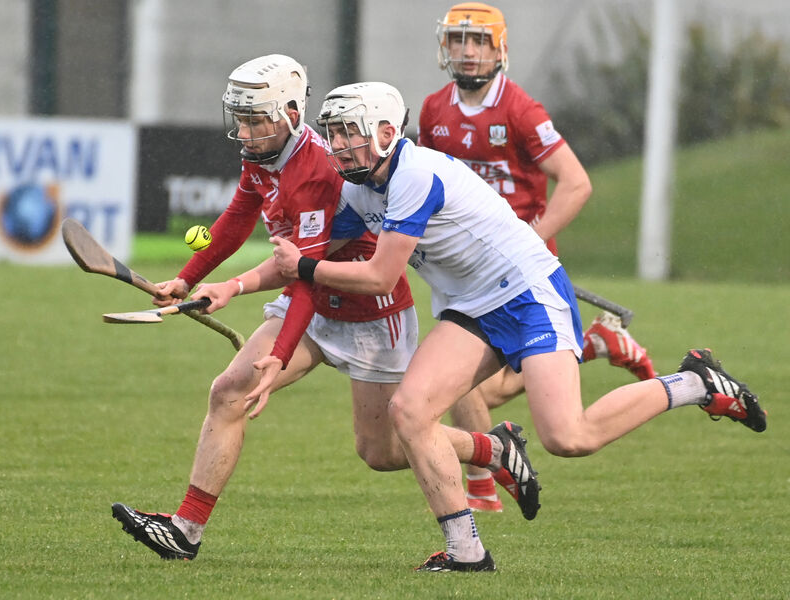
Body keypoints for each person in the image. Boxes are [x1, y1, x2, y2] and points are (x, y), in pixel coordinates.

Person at [266, 81, 766, 572]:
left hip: (528, 294)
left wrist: (303, 267)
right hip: (472, 305)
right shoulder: (360, 190)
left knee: (569, 437)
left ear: (385, 132)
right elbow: (308, 254)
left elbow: (376, 276)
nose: (337, 144)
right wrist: (232, 285)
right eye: (333, 133)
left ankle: (695, 383)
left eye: (348, 132)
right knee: (410, 411)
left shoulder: (414, 174)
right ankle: (466, 552)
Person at [110, 54, 539, 563]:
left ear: (291, 114)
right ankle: (185, 531)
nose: (244, 132)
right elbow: (238, 217)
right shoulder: (261, 155)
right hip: (310, 307)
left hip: (370, 315)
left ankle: (493, 450)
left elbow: (305, 274)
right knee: (228, 392)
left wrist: (277, 353)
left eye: (255, 119)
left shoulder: (316, 170)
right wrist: (190, 278)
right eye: (240, 119)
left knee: (381, 451)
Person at [417, 2, 657, 512]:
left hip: (522, 274)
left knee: (469, 390)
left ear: (499, 49)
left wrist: (532, 236)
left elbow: (576, 183)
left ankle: (482, 487)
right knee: (473, 388)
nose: (467, 50)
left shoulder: (520, 110)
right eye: (458, 40)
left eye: (479, 41)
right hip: (468, 270)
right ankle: (592, 344)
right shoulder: (434, 110)